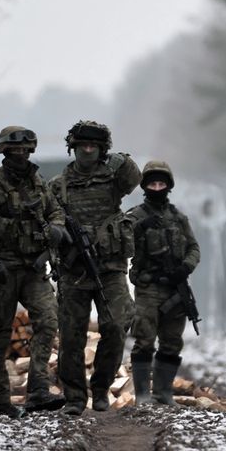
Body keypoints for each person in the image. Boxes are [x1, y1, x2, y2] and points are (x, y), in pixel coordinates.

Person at [0, 126, 68, 418]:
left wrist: (56, 229)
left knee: (48, 321)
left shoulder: (38, 182)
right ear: (5, 152)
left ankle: (37, 390)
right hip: (4, 270)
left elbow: (55, 211)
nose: (21, 155)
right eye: (15, 150)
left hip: (34, 267)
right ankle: (1, 400)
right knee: (0, 333)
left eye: (25, 150)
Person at [48, 120, 140, 414]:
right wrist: (59, 237)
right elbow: (48, 222)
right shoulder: (57, 187)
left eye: (94, 146)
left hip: (110, 268)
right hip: (73, 271)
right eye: (82, 146)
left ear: (101, 149)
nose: (88, 151)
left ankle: (101, 387)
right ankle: (75, 396)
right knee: (71, 333)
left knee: (115, 324)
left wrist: (117, 158)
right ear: (73, 148)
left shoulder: (112, 179)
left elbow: (134, 175)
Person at [125, 160, 200, 405]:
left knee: (172, 341)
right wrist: (138, 228)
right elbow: (120, 243)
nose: (157, 188)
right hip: (148, 287)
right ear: (145, 186)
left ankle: (163, 392)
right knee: (145, 339)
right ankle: (143, 394)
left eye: (161, 183)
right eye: (153, 183)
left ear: (168, 186)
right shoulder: (135, 216)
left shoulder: (178, 217)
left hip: (174, 289)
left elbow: (193, 247)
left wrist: (185, 267)